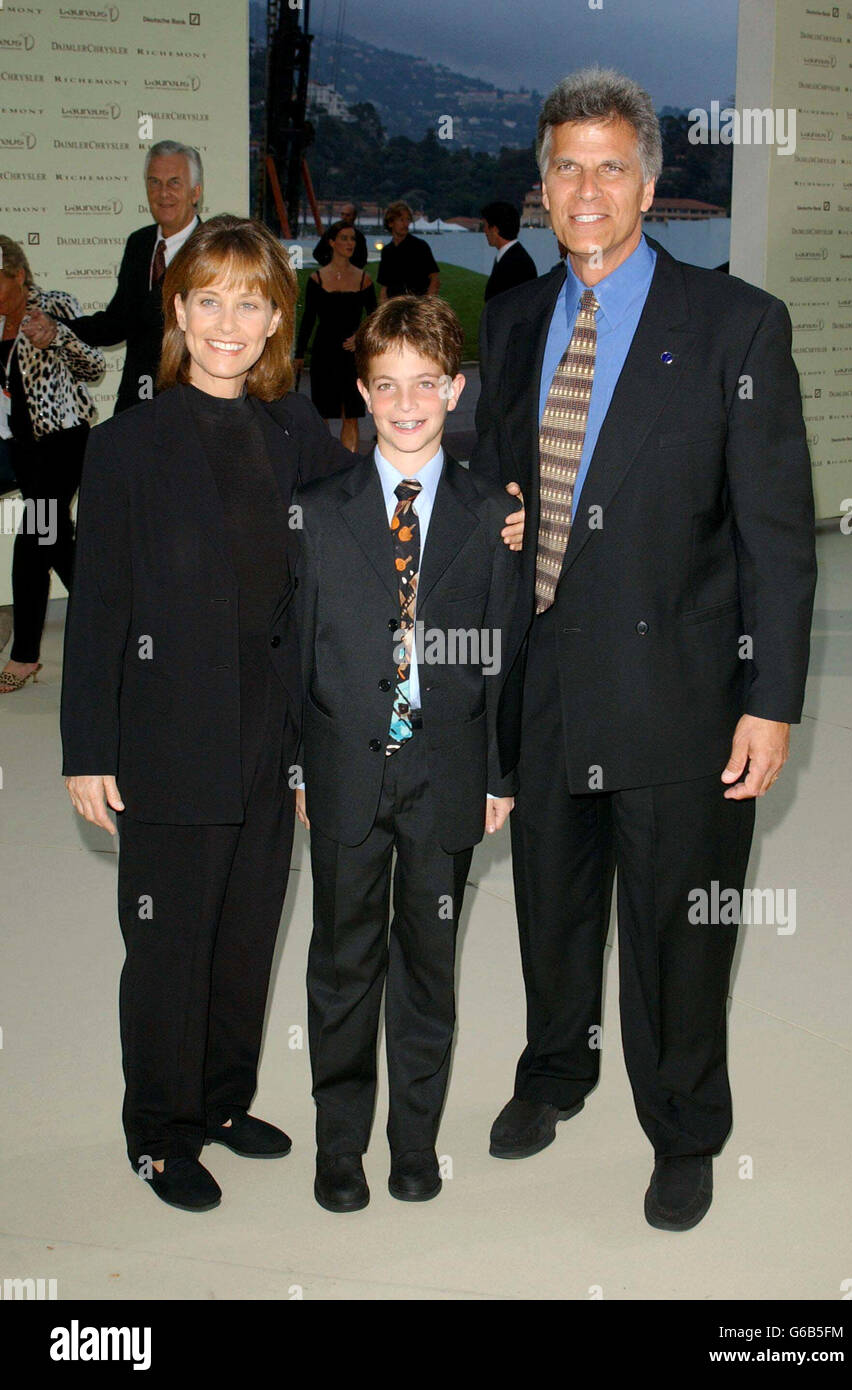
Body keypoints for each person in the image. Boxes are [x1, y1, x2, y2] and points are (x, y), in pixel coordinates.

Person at [470, 66, 817, 1231]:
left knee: (679, 926)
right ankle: (555, 1070)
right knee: (552, 907)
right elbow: (494, 473)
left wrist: (770, 702)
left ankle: (684, 1126)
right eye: (565, 163)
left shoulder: (735, 324)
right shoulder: (515, 317)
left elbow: (776, 534)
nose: (586, 188)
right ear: (541, 181)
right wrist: (504, 511)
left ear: (652, 184)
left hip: (683, 688)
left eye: (611, 165)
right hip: (551, 676)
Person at [60, 214, 355, 1214]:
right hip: (167, 736)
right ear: (180, 310)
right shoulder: (128, 443)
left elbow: (367, 523)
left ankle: (224, 1099)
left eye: (253, 299)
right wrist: (87, 747)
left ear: (279, 316)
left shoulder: (293, 430)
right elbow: (98, 606)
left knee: (245, 928)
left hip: (271, 736)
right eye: (210, 297)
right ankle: (160, 1129)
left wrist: (484, 510)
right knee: (170, 943)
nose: (231, 319)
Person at [294, 295, 520, 1213]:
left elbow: (505, 651)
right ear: (362, 391)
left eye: (426, 384)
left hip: (449, 775)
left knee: (429, 965)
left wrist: (500, 776)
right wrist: (299, 765)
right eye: (386, 386)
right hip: (345, 771)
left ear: (455, 390)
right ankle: (338, 1146)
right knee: (343, 964)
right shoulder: (317, 511)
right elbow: (294, 650)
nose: (407, 402)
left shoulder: (490, 511)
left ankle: (413, 1143)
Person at [0, 237, 104, 693]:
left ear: (18, 275)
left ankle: (24, 656)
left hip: (63, 442)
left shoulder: (55, 306)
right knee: (57, 540)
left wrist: (57, 336)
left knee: (32, 539)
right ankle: (111, 620)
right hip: (19, 450)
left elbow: (95, 366)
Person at [68, 141, 203, 413]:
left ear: (195, 192)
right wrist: (57, 326)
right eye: (154, 182)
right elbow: (117, 322)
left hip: (189, 405)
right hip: (134, 403)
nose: (163, 193)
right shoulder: (138, 244)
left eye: (174, 183)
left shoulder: (210, 250)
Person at [295, 221, 377, 452]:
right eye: (344, 238)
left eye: (353, 239)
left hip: (352, 354)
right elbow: (308, 319)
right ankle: (325, 466)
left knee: (350, 415)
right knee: (323, 413)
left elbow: (374, 318)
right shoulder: (316, 279)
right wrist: (299, 354)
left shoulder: (364, 279)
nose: (350, 243)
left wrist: (360, 336)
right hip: (324, 351)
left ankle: (348, 467)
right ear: (331, 242)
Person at [377, 202, 440, 303]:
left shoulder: (420, 246)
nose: (405, 224)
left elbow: (434, 278)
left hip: (418, 304)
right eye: (401, 220)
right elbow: (384, 286)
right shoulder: (387, 251)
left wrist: (428, 304)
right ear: (390, 223)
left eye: (408, 220)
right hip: (394, 306)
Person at [481, 201, 538, 302]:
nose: (484, 231)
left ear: (494, 229)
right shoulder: (515, 258)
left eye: (485, 226)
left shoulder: (517, 263)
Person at [312, 202, 368, 269]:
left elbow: (362, 259)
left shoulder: (359, 237)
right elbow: (317, 253)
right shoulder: (331, 232)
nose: (344, 217)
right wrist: (330, 265)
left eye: (347, 215)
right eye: (342, 214)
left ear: (354, 217)